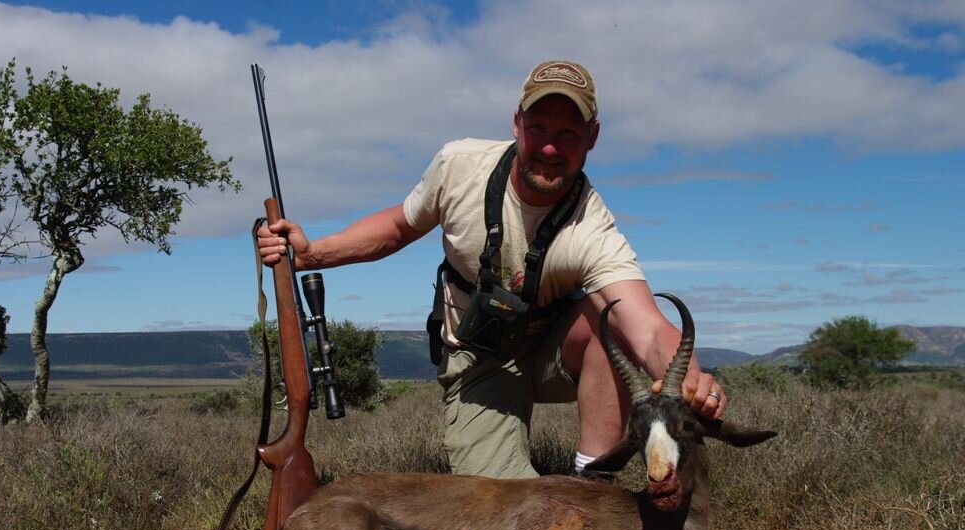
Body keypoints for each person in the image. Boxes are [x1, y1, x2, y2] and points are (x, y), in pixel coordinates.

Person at [258, 60, 727, 479]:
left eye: (567, 133)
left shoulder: (594, 228)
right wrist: (311, 253)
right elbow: (400, 225)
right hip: (477, 352)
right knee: (502, 506)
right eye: (539, 126)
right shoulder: (459, 166)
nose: (549, 147)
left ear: (593, 138)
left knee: (610, 320)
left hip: (550, 351)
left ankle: (593, 485)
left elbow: (647, 329)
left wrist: (691, 377)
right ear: (516, 123)